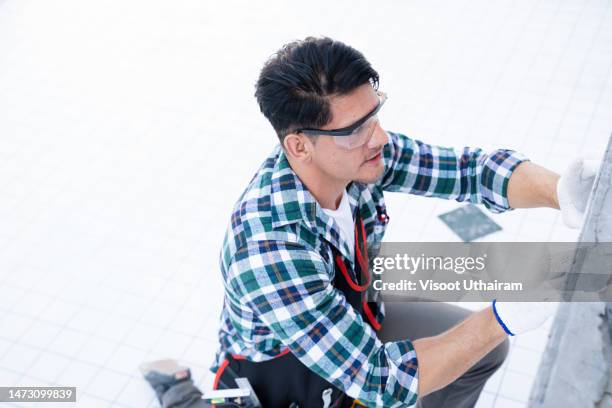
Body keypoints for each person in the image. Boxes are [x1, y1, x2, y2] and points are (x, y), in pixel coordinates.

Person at [143, 37, 598, 408]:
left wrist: (558, 191)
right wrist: (503, 317)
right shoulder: (267, 247)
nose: (378, 137)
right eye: (356, 130)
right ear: (299, 147)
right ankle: (180, 391)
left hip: (356, 316)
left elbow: (469, 171)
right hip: (283, 377)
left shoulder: (357, 158)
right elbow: (379, 380)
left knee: (483, 352)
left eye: (374, 114)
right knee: (476, 342)